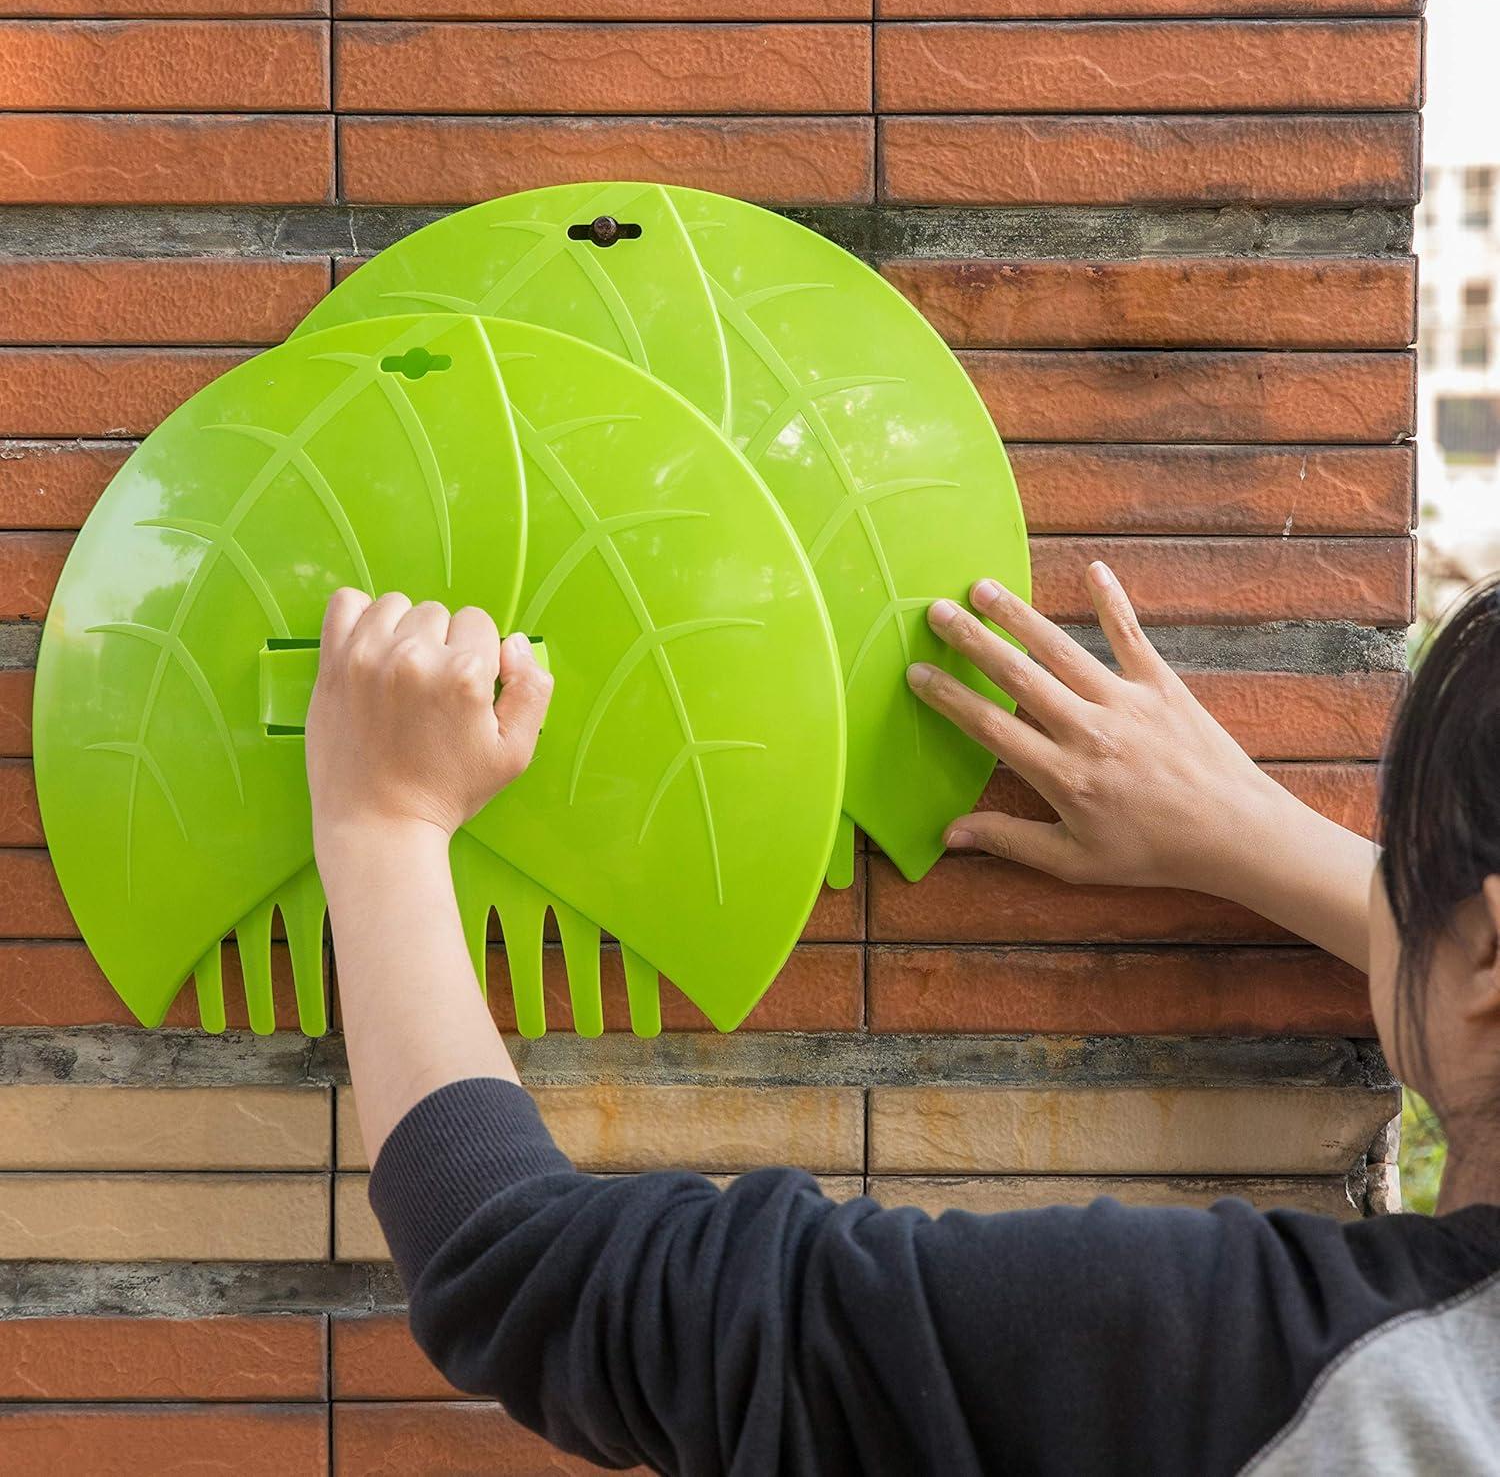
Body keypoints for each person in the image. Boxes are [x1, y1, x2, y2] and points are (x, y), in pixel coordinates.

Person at [305, 563, 1500, 1476]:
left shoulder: (1264, 1370)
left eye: (1407, 861)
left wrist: (384, 824)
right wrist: (1256, 838)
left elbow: (528, 1278)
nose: (1386, 875)